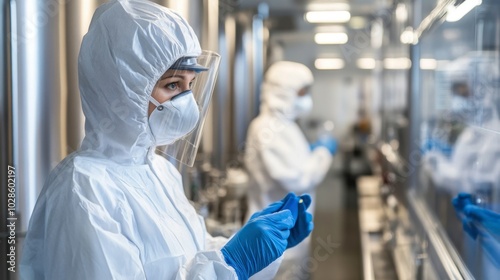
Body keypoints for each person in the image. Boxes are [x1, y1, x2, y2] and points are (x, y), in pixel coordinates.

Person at [20, 1, 313, 279]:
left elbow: (195, 254)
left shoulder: (159, 171)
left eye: (191, 85)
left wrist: (257, 246)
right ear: (121, 90)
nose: (186, 101)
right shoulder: (85, 189)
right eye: (172, 85)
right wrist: (233, 263)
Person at [244, 61, 335, 279]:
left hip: (290, 235)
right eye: (301, 92)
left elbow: (297, 165)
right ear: (283, 93)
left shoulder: (284, 125)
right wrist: (323, 153)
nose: (305, 99)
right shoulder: (268, 128)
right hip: (276, 241)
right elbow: (298, 180)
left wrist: (311, 152)